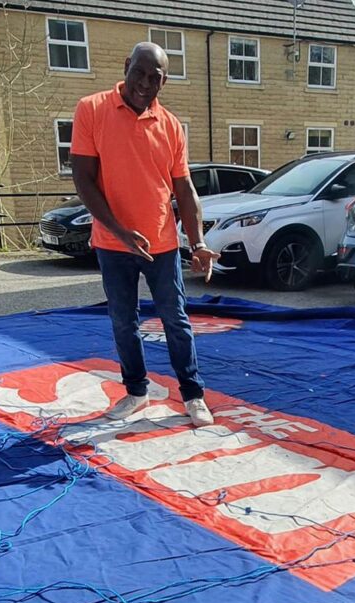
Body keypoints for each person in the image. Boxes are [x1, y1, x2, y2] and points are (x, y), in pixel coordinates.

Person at [70, 42, 220, 427]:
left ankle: (192, 393)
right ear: (126, 66)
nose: (144, 83)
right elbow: (84, 180)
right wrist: (118, 230)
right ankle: (136, 391)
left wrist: (197, 242)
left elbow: (184, 189)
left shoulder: (170, 125)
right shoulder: (92, 109)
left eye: (155, 78)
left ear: (164, 81)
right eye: (139, 72)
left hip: (162, 244)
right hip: (112, 243)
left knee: (176, 319)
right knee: (124, 321)